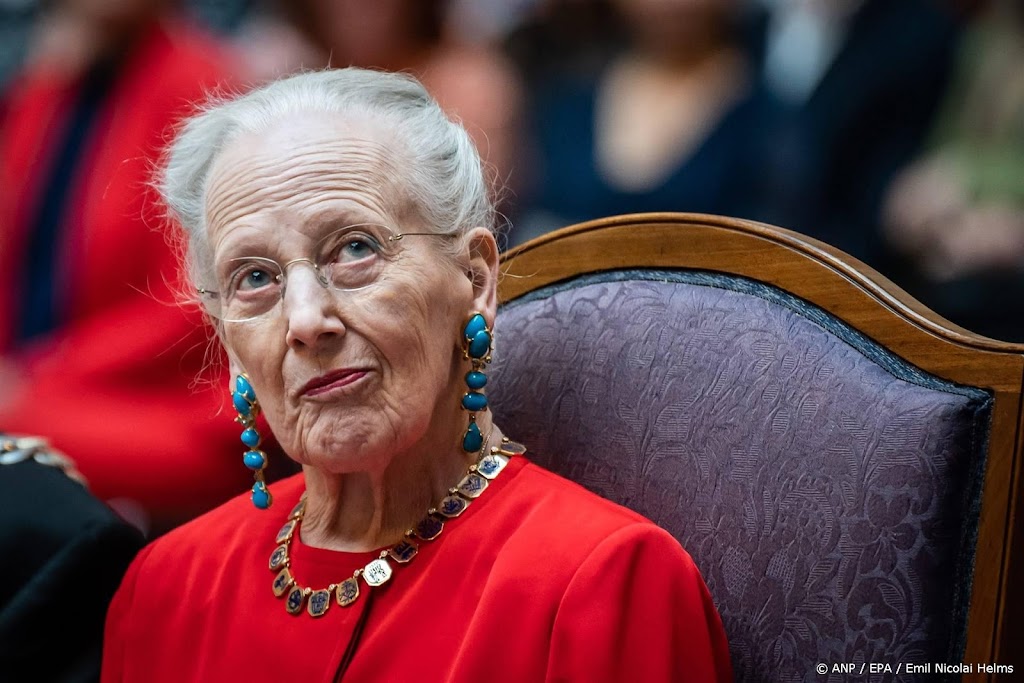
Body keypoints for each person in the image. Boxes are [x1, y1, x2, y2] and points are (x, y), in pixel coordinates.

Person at [100, 68, 733, 682]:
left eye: (355, 248)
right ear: (228, 340)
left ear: (474, 279)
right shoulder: (164, 588)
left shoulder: (602, 586)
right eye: (255, 278)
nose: (306, 320)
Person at [0, 0, 249, 528]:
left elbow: (198, 297)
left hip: (168, 404)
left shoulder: (201, 85)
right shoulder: (46, 91)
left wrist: (40, 376)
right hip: (47, 390)